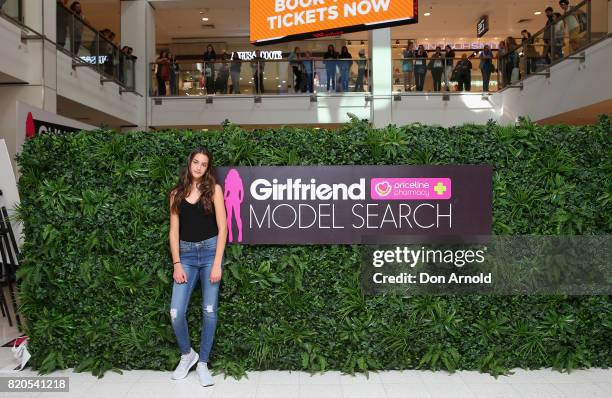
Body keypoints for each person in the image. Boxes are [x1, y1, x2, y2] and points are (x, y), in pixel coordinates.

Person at [167, 147, 227, 387]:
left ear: (207, 167)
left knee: (209, 310)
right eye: (195, 162)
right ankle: (187, 354)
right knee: (175, 312)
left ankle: (202, 362)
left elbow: (223, 228)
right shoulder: (176, 193)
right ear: (189, 163)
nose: (199, 167)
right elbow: (173, 232)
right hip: (187, 257)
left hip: (211, 252)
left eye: (203, 164)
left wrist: (217, 263)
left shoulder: (214, 190)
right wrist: (177, 263)